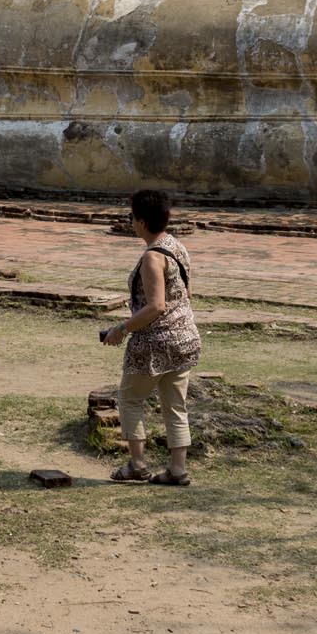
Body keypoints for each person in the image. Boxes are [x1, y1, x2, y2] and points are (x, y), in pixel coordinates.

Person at [99, 188, 202, 486]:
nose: (131, 222)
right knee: (175, 404)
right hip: (185, 337)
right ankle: (178, 469)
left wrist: (122, 329)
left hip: (156, 341)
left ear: (142, 222)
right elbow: (186, 292)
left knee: (130, 399)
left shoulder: (152, 258)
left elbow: (157, 305)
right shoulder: (177, 246)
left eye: (132, 217)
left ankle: (137, 464)